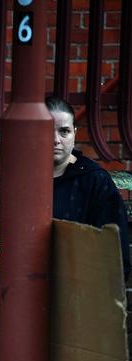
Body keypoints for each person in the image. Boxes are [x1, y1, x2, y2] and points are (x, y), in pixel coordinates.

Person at [45, 96, 130, 280]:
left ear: (74, 132)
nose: (55, 140)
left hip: (78, 284)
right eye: (46, 131)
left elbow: (114, 249)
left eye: (64, 131)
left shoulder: (94, 180)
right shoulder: (17, 176)